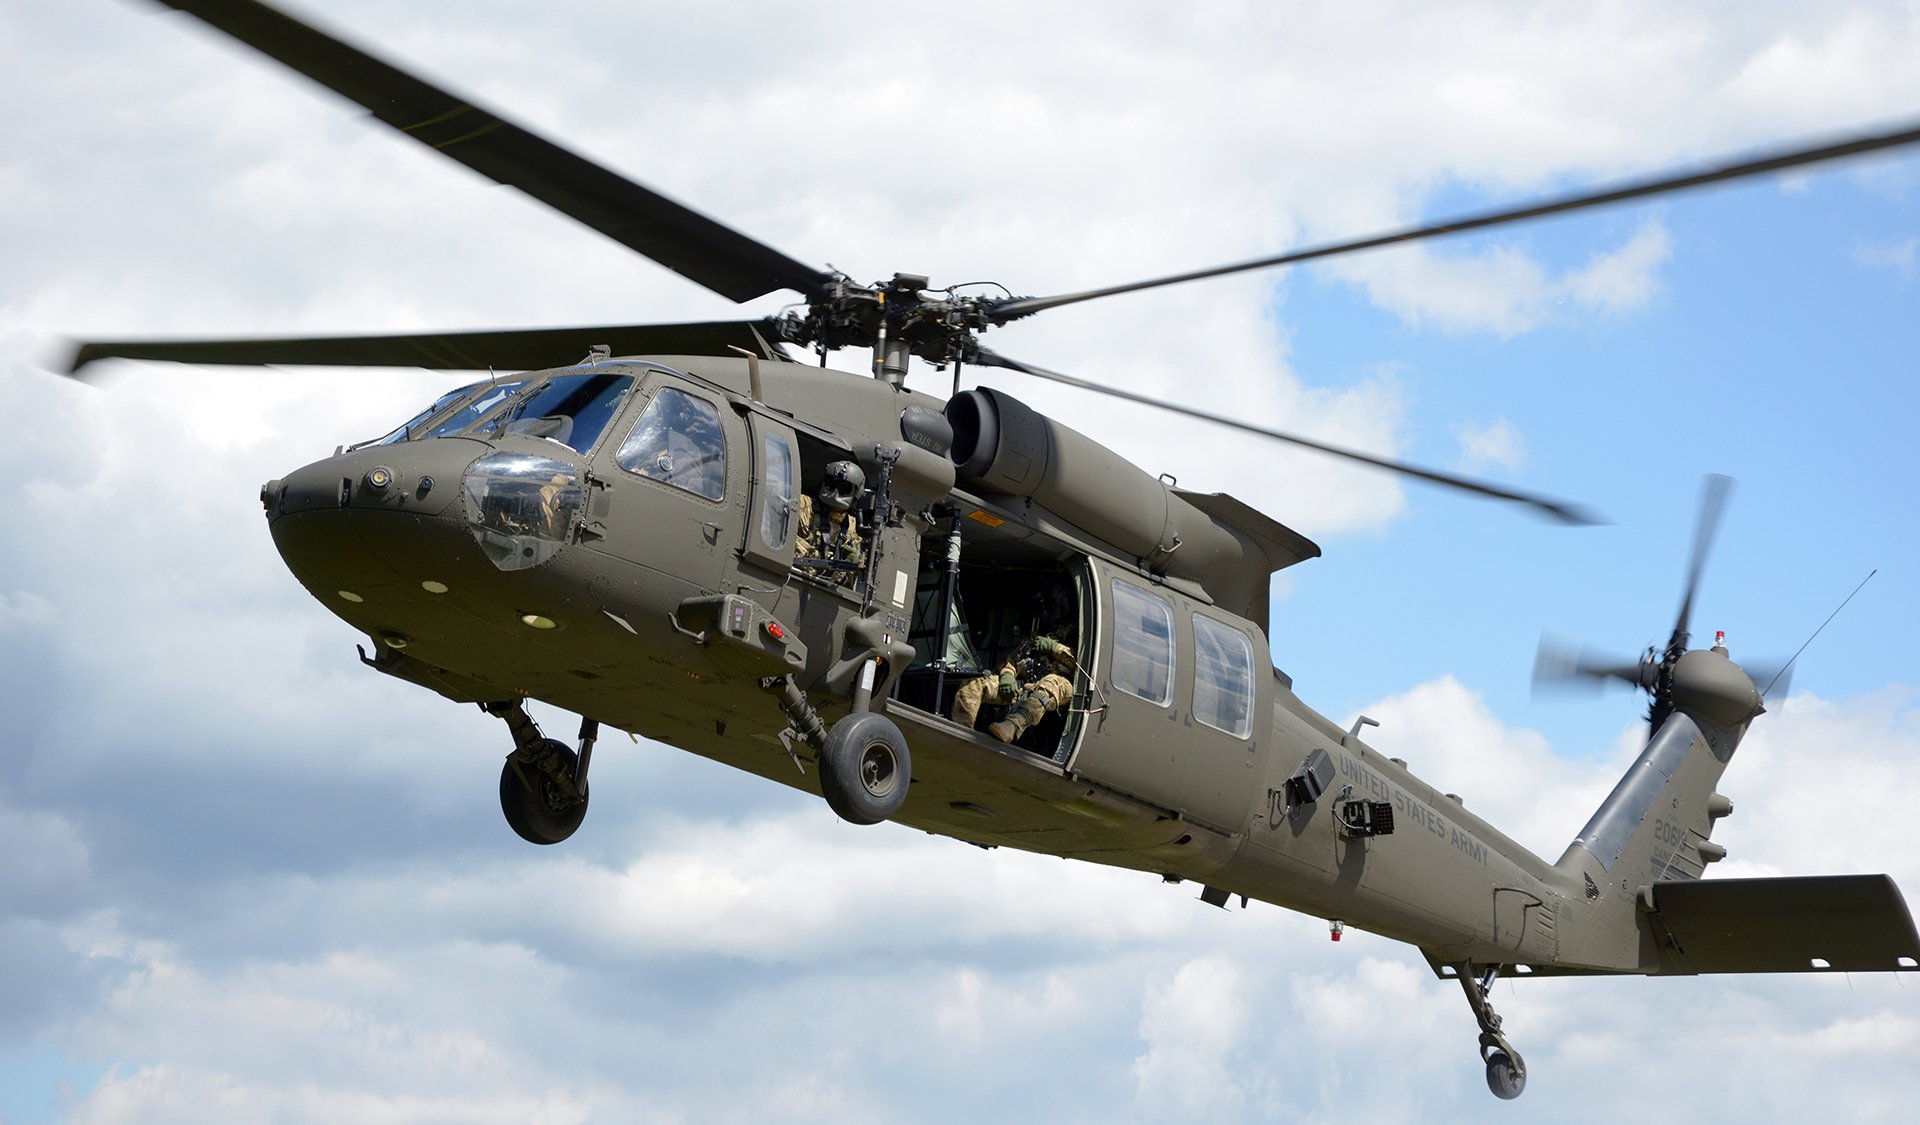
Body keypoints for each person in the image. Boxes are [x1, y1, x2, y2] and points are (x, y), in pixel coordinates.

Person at [951, 584, 1077, 743]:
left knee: (1049, 685)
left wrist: (1055, 649)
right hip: (1024, 686)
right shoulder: (1040, 635)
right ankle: (960, 734)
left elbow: (1082, 668)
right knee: (973, 683)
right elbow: (1012, 660)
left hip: (1059, 689)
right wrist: (1007, 676)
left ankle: (1011, 727)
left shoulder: (1077, 637)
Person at [793, 460, 865, 582]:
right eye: (831, 484)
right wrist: (814, 556)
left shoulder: (852, 531)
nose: (835, 492)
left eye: (844, 488)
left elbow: (845, 583)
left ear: (856, 495)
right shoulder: (801, 505)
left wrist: (848, 568)